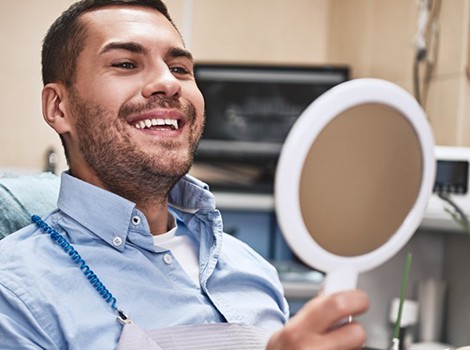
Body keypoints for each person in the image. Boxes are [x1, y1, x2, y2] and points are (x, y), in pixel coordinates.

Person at [0, 0, 369, 349]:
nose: (169, 83)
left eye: (180, 69)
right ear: (58, 107)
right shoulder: (15, 291)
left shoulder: (253, 269)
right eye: (126, 64)